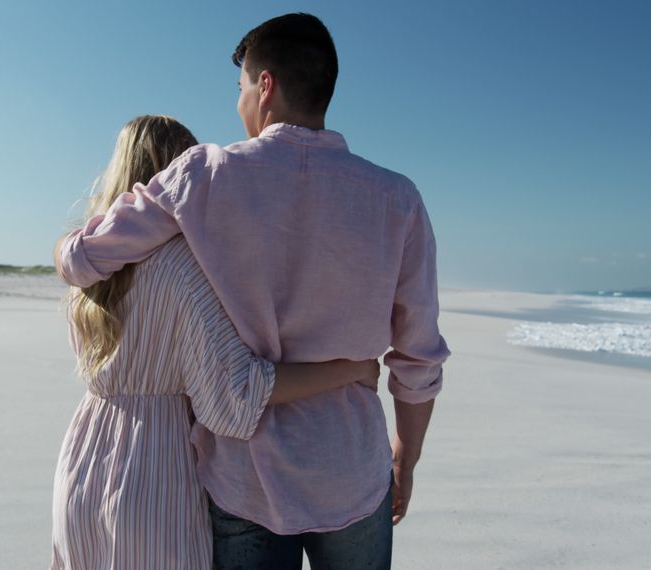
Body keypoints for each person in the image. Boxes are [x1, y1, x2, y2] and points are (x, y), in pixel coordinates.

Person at [54, 14, 451, 569]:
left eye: (241, 87)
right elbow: (418, 355)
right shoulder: (398, 199)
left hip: (247, 476)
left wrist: (69, 248)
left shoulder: (204, 175)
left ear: (265, 86)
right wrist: (406, 457)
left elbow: (84, 257)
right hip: (352, 468)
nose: (239, 103)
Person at [50, 115, 381, 569]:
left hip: (86, 456)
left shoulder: (88, 265)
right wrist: (353, 369)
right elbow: (234, 396)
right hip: (155, 469)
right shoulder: (185, 270)